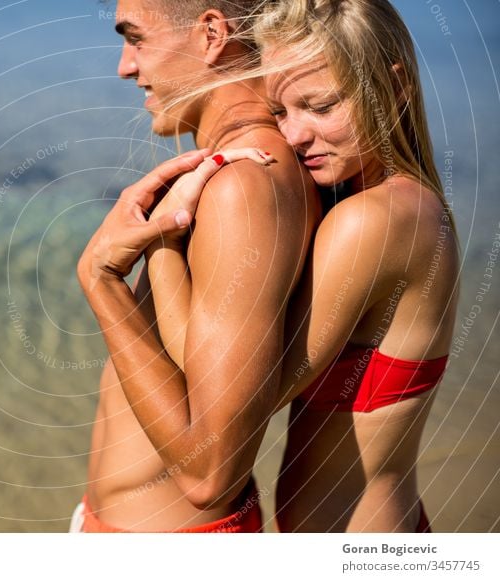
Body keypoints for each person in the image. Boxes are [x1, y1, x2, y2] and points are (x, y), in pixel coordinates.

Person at [142, 0, 459, 532]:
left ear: (395, 86)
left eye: (321, 105)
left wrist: (161, 242)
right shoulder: (396, 200)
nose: (293, 136)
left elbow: (233, 408)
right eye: (282, 112)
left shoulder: (375, 221)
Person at [73, 0, 318, 532]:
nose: (125, 66)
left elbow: (210, 474)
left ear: (211, 33)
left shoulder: (244, 187)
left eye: (136, 38)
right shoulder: (230, 174)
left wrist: (101, 280)